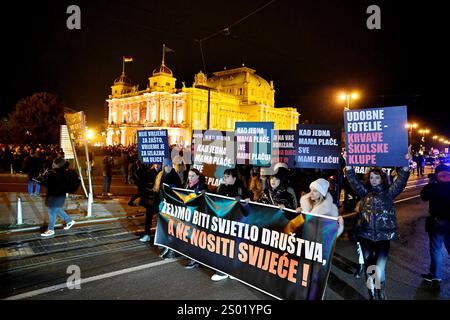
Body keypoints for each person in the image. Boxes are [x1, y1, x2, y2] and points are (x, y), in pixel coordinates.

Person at [345, 151, 411, 300]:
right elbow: (354, 182)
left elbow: (400, 182)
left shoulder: (389, 193)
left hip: (383, 236)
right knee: (370, 268)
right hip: (365, 235)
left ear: (382, 179)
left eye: (377, 178)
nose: (374, 180)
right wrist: (348, 166)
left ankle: (380, 291)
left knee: (379, 268)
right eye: (372, 178)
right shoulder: (364, 193)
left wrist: (406, 165)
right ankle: (372, 293)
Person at [211, 168, 252, 281]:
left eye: (227, 176)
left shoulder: (241, 189)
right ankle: (222, 271)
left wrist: (246, 199)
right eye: (224, 176)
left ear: (234, 178)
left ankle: (234, 270)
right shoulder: (222, 187)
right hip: (223, 222)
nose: (225, 178)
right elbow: (214, 198)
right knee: (222, 245)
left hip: (235, 223)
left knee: (234, 246)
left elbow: (249, 198)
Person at [420, 163, 450, 284]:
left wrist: (431, 182)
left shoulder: (434, 186)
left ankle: (436, 275)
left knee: (436, 249)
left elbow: (424, 196)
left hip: (437, 222)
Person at [39, 157, 76, 237]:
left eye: (54, 163)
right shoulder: (61, 172)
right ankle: (69, 221)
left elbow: (52, 184)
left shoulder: (58, 173)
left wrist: (43, 180)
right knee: (57, 210)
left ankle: (51, 230)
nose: (52, 164)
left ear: (58, 165)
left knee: (52, 212)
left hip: (56, 195)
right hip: (58, 195)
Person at [155, 158, 182, 259]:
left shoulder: (174, 175)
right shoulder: (160, 175)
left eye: (169, 166)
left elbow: (180, 187)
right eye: (166, 166)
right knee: (163, 226)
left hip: (171, 205)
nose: (168, 168)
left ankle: (171, 249)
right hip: (163, 204)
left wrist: (174, 187)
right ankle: (166, 246)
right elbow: (157, 190)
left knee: (170, 227)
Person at [184, 168, 208, 269]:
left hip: (197, 214)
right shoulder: (187, 185)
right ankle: (195, 258)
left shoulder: (202, 185)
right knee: (190, 237)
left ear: (198, 176)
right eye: (189, 176)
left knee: (195, 237)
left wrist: (202, 192)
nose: (190, 178)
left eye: (192, 176)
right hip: (188, 213)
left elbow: (206, 195)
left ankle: (194, 259)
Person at [139, 164, 161, 242]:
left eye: (160, 163)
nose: (158, 165)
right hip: (151, 198)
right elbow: (142, 182)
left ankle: (159, 235)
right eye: (156, 163)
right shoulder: (149, 171)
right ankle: (147, 234)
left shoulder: (164, 172)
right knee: (149, 217)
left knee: (161, 218)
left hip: (160, 199)